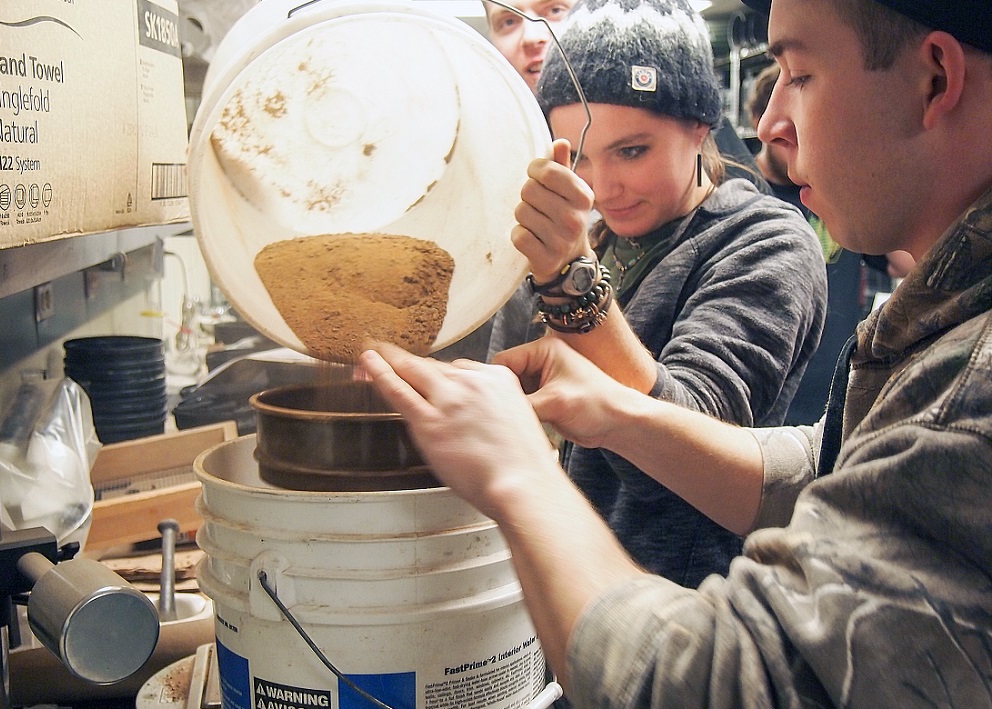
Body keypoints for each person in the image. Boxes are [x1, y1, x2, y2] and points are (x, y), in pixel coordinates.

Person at [358, 0, 992, 705]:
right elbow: (825, 462)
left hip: (669, 608)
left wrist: (520, 474)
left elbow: (725, 683)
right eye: (583, 157)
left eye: (801, 74)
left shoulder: (957, 376)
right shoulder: (939, 322)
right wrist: (616, 416)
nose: (769, 123)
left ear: (936, 79)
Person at [489, 0, 827, 588]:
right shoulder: (594, 236)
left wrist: (572, 281)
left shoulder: (763, 244)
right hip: (565, 594)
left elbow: (686, 447)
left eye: (632, 150)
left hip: (681, 617)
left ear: (700, 126)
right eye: (581, 158)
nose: (603, 186)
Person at [747, 61, 865, 425]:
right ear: (761, 122)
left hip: (835, 399)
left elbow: (900, 260)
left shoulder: (837, 193)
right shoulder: (742, 200)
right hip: (768, 411)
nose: (798, 149)